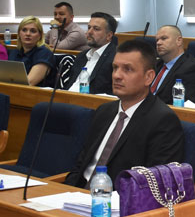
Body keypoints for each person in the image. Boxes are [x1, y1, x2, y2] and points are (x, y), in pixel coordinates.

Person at [65, 39, 185, 188]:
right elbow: (81, 165)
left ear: (148, 77)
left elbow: (156, 183)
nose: (117, 75)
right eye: (115, 68)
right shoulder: (104, 111)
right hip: (79, 193)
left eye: (127, 69)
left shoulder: (163, 120)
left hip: (122, 199)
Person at [152, 25, 195, 105]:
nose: (158, 43)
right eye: (157, 40)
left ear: (179, 41)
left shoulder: (191, 68)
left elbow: (187, 106)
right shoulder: (157, 64)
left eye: (164, 38)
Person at [64, 12, 117, 94]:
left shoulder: (115, 58)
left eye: (96, 29)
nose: (89, 32)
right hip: (67, 97)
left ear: (109, 35)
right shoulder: (81, 56)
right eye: (89, 27)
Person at [9, 16, 54, 86]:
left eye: (33, 31)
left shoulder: (45, 53)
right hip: (12, 89)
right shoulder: (15, 52)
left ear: (40, 35)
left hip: (34, 91)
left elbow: (29, 83)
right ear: (19, 34)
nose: (28, 34)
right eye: (24, 30)